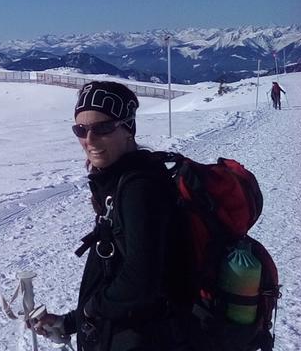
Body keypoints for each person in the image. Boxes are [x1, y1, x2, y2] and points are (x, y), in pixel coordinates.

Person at [32, 81, 193, 350]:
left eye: (103, 128)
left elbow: (141, 280)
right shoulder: (118, 181)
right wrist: (72, 322)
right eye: (80, 129)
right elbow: (116, 271)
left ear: (128, 128)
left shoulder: (140, 188)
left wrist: (90, 311)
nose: (89, 140)